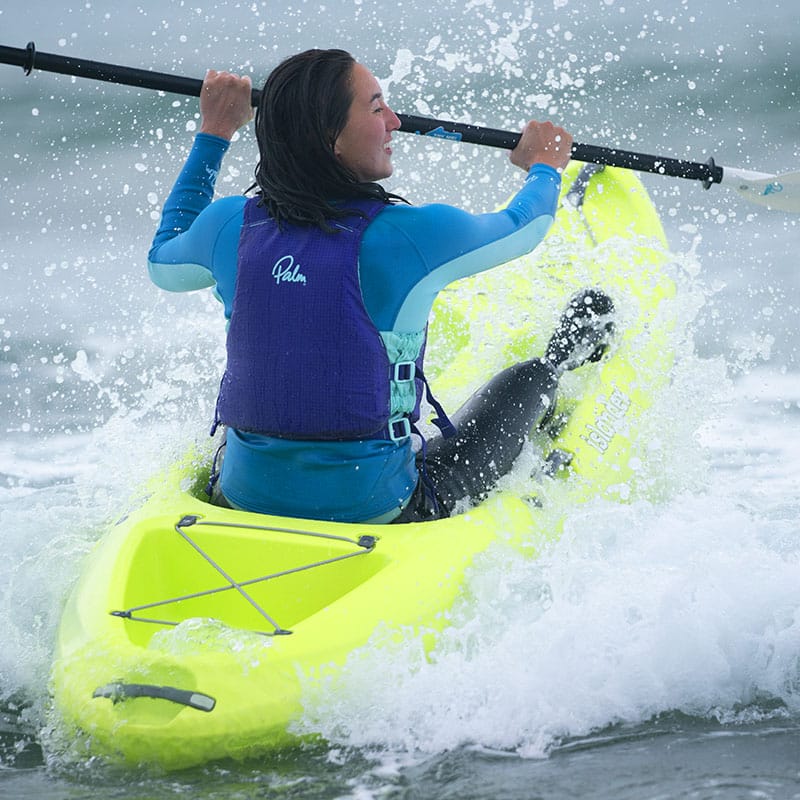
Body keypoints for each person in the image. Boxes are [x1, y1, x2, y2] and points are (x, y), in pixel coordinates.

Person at [148, 48, 613, 524]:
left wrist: (214, 133)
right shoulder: (410, 236)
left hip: (242, 498)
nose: (394, 122)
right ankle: (560, 388)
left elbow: (162, 258)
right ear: (331, 138)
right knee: (529, 378)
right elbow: (524, 226)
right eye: (376, 109)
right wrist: (545, 166)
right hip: (380, 512)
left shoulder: (227, 226)